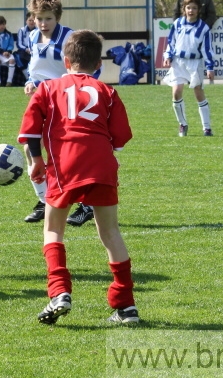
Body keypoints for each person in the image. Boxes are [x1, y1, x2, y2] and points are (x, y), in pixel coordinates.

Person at [18, 30, 139, 325]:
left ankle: (59, 292)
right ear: (98, 64)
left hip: (65, 164)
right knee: (110, 233)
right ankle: (126, 306)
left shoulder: (48, 89)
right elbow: (121, 138)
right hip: (101, 164)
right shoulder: (107, 91)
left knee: (53, 229)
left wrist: (36, 162)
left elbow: (30, 132)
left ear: (65, 60)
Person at [21, 0, 93, 227]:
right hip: (41, 98)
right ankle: (44, 200)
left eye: (48, 18)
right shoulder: (32, 36)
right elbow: (35, 66)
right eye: (39, 18)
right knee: (30, 147)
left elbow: (81, 69)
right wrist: (30, 81)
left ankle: (88, 204)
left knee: (71, 154)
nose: (43, 23)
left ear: (57, 17)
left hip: (65, 100)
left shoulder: (70, 37)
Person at [163, 0, 215, 137]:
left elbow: (207, 49)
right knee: (176, 92)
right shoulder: (178, 24)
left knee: (198, 93)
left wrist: (210, 67)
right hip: (178, 62)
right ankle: (182, 124)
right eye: (188, 8)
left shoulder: (203, 28)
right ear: (184, 9)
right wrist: (167, 56)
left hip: (194, 63)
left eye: (194, 8)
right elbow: (171, 42)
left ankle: (207, 128)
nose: (191, 10)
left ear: (198, 10)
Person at [0, 15, 17, 86]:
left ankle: (9, 81)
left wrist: (8, 51)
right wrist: (3, 52)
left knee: (12, 60)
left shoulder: (9, 34)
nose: (2, 26)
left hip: (7, 52)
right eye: (0, 24)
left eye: (3, 24)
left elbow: (11, 44)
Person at [16, 11, 36, 76]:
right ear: (26, 21)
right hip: (24, 50)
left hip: (34, 50)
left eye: (33, 20)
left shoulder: (38, 31)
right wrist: (26, 49)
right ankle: (27, 76)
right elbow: (19, 44)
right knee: (17, 56)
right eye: (29, 20)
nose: (31, 22)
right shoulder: (22, 30)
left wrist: (32, 49)